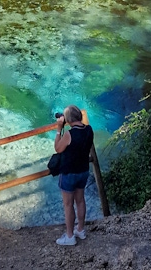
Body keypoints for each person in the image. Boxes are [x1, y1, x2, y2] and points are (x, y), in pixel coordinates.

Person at [53, 105, 94, 246]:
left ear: (68, 120)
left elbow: (58, 149)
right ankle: (80, 230)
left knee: (68, 205)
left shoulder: (69, 134)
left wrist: (59, 129)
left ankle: (69, 236)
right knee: (80, 200)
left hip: (69, 172)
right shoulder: (89, 130)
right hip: (83, 171)